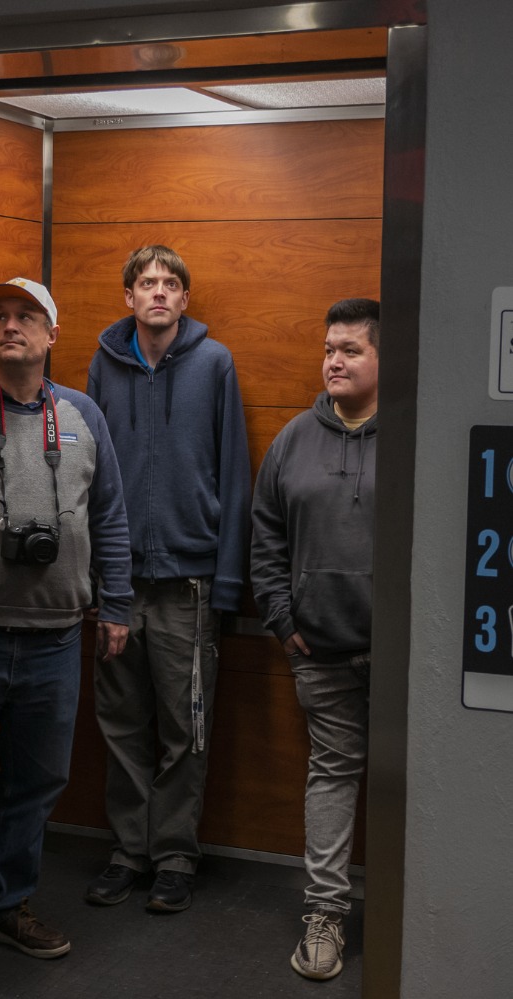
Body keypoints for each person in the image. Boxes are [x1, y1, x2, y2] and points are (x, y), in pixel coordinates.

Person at [84, 245, 251, 913]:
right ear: (129, 296)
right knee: (121, 724)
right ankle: (130, 850)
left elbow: (234, 472)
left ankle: (175, 853)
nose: (157, 292)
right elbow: (89, 474)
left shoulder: (214, 363)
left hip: (188, 582)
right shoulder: (103, 363)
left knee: (186, 728)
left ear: (184, 298)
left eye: (169, 283)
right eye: (145, 282)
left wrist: (230, 587)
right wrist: (96, 579)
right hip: (117, 585)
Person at [0, 277, 132, 958]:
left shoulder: (81, 415)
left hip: (55, 638)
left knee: (36, 781)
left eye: (25, 316)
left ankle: (5, 905)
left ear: (51, 333)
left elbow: (111, 515)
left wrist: (117, 604)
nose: (10, 326)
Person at [250, 298, 380, 981]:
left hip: (402, 661)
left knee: (408, 783)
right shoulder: (294, 437)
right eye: (329, 348)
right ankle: (325, 912)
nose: (333, 359)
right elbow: (264, 530)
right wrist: (280, 617)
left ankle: (411, 906)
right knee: (331, 775)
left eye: (350, 349)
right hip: (318, 651)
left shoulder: (412, 434)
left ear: (385, 359)